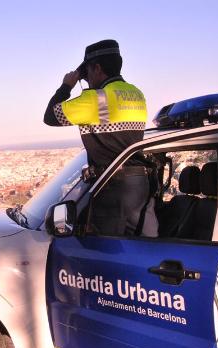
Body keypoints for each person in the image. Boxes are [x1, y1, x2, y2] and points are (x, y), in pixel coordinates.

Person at [44, 39, 157, 237]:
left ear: (97, 68)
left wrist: (66, 86)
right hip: (140, 184)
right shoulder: (137, 94)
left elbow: (50, 117)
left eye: (86, 74)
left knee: (104, 251)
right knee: (144, 245)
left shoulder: (96, 99)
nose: (86, 80)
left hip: (111, 185)